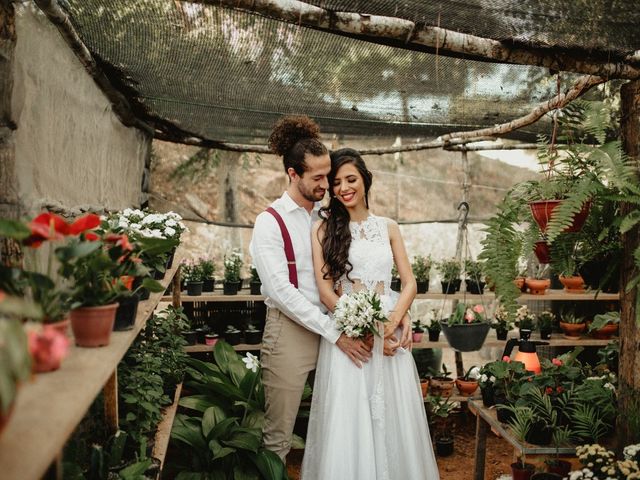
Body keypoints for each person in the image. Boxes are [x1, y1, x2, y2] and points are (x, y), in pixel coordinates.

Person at [301, 147, 440, 479]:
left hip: (389, 337)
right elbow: (326, 292)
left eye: (351, 179)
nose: (344, 188)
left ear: (365, 179)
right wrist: (367, 329)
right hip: (351, 338)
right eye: (336, 183)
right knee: (351, 426)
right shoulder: (323, 230)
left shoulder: (389, 227)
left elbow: (409, 283)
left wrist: (390, 323)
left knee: (394, 422)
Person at [249, 116, 378, 462]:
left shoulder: (329, 216)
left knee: (343, 421)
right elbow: (280, 291)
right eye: (318, 177)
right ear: (293, 174)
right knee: (279, 436)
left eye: (329, 176)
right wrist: (334, 333)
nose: (327, 185)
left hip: (337, 325)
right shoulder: (269, 222)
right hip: (291, 331)